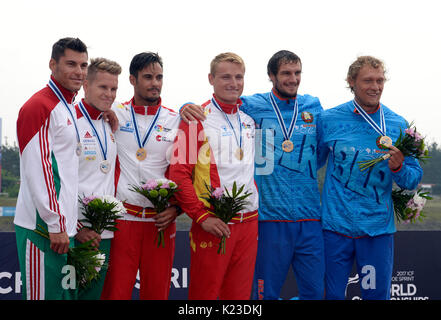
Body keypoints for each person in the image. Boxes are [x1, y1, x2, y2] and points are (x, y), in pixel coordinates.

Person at [180, 50, 327, 300]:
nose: (292, 79)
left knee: (314, 293)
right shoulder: (251, 106)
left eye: (297, 73)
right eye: (285, 73)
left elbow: (322, 151)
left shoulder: (313, 106)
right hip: (269, 218)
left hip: (308, 216)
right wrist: (185, 107)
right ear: (271, 76)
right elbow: (223, 103)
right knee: (259, 295)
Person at [317, 56, 423, 300]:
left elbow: (412, 179)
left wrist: (398, 169)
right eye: (368, 80)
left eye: (380, 80)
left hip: (376, 230)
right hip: (335, 227)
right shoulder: (329, 119)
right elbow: (314, 163)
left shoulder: (398, 124)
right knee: (331, 296)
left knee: (375, 297)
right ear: (351, 82)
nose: (375, 86)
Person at [169, 52, 259, 300]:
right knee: (204, 296)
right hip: (213, 222)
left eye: (239, 77)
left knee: (239, 298)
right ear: (211, 79)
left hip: (249, 223)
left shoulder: (250, 121)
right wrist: (201, 216)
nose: (234, 83)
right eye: (226, 77)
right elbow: (178, 175)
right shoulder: (196, 119)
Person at [101, 52, 181, 300]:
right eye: (148, 77)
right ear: (132, 80)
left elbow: (185, 172)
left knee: (157, 293)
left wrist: (177, 209)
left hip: (160, 222)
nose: (155, 83)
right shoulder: (114, 112)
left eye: (159, 77)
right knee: (116, 293)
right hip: (122, 220)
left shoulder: (176, 119)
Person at [14, 37, 88, 300]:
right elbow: (40, 168)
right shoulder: (40, 106)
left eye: (83, 65)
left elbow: (66, 172)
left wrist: (69, 222)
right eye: (71, 64)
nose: (79, 71)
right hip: (42, 228)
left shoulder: (67, 106)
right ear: (52, 65)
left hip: (59, 228)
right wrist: (55, 223)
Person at [74, 57, 122, 299]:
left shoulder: (107, 122)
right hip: (74, 233)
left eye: (114, 89)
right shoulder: (69, 121)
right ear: (85, 84)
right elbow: (56, 180)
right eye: (103, 87)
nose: (110, 94)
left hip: (103, 232)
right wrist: (77, 228)